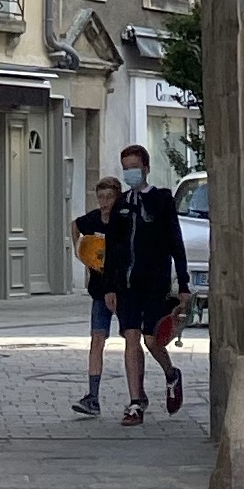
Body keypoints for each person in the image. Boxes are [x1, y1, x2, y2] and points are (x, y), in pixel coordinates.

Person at [96, 144, 188, 425]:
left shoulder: (161, 200)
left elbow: (175, 242)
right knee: (131, 338)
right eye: (126, 169)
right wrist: (109, 287)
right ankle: (135, 401)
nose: (130, 173)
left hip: (154, 283)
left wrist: (183, 284)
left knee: (152, 340)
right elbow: (111, 248)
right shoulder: (121, 204)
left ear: (146, 168)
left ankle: (171, 373)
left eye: (134, 168)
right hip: (126, 285)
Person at [71, 175, 121, 415]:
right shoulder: (92, 219)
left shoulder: (124, 219)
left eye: (109, 197)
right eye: (101, 197)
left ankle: (138, 395)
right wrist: (80, 251)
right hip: (100, 290)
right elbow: (75, 225)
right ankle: (93, 396)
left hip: (124, 289)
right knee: (97, 339)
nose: (105, 202)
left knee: (135, 339)